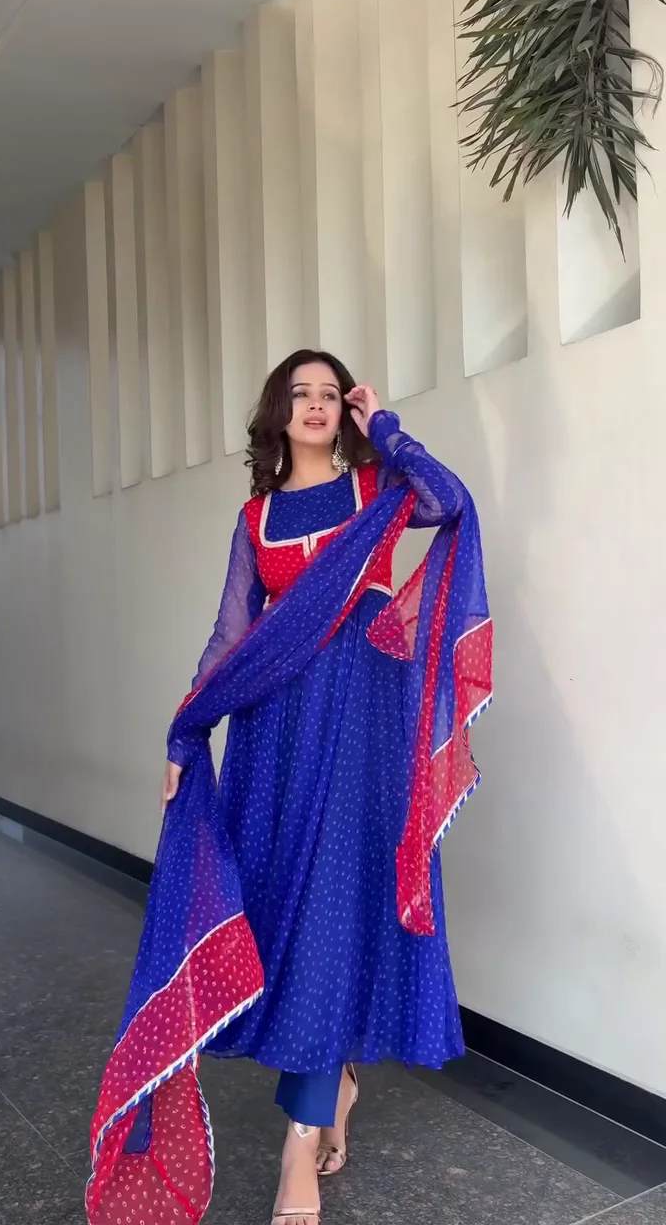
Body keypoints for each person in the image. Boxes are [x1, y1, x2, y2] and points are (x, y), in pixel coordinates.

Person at [87, 350, 492, 1225]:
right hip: (274, 735)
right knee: (283, 913)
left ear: (343, 412)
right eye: (300, 394)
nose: (315, 406)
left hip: (363, 728)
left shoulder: (377, 489)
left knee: (334, 907)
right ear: (277, 413)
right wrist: (185, 727)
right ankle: (331, 1081)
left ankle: (299, 1148)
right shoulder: (256, 519)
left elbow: (452, 502)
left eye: (329, 395)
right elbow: (230, 634)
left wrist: (385, 428)